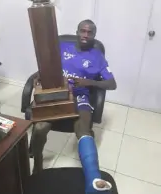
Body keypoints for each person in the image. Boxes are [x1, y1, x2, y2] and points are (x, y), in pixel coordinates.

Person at [31, 19, 117, 193]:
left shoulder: (97, 57)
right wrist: (39, 74)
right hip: (56, 93)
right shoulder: (62, 48)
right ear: (77, 32)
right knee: (40, 127)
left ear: (94, 35)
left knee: (83, 129)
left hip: (80, 96)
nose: (85, 35)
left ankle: (92, 178)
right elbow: (47, 65)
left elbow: (112, 84)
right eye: (82, 31)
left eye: (89, 32)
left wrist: (89, 82)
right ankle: (38, 160)